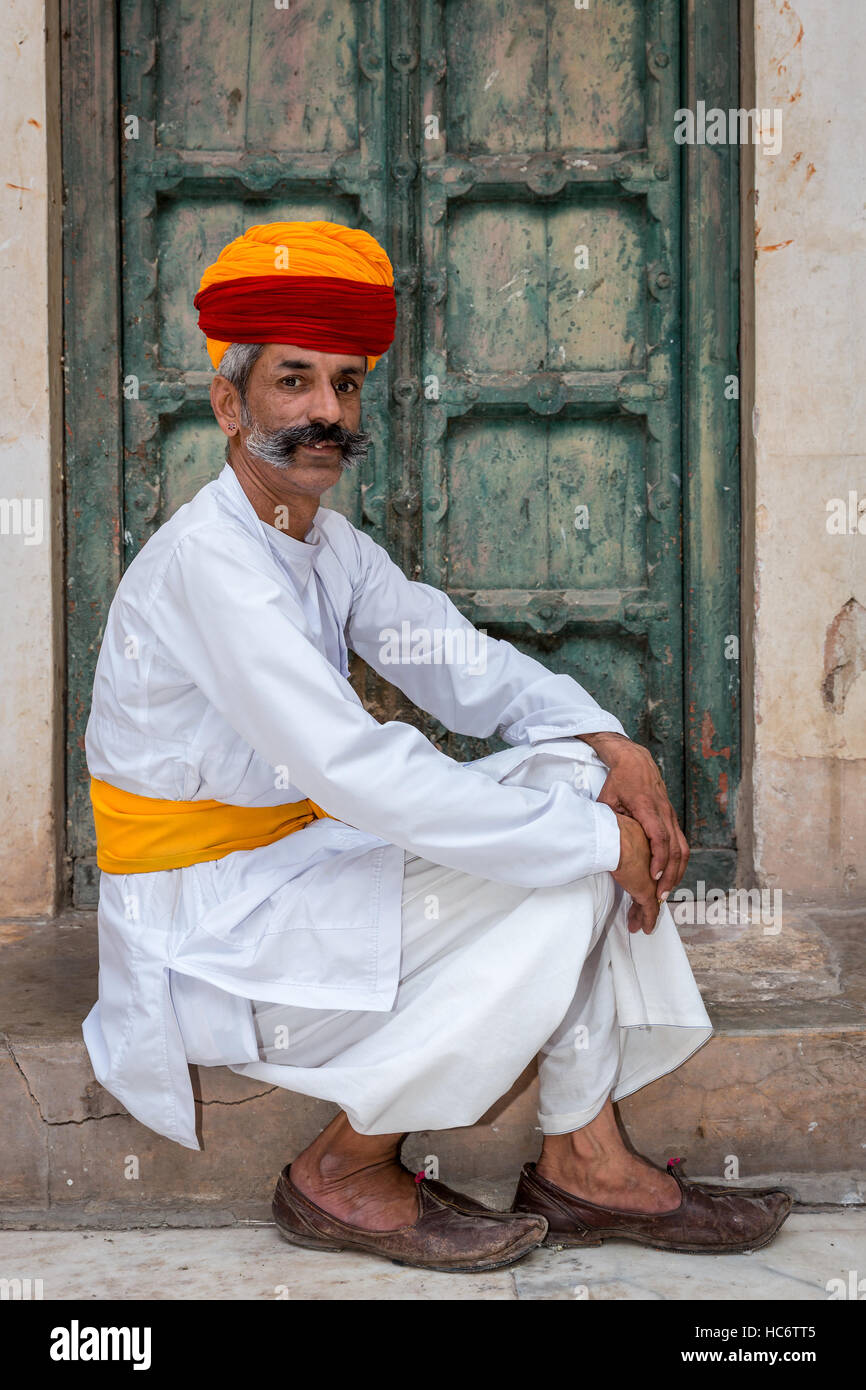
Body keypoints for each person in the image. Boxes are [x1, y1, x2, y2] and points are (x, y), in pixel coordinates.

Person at [82, 220, 792, 1272]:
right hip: (213, 924)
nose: (326, 410)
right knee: (564, 879)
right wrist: (597, 845)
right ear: (229, 405)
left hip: (296, 872)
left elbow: (462, 664)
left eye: (345, 385)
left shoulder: (319, 542)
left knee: (574, 781)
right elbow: (359, 772)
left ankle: (583, 1158)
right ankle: (346, 1167)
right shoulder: (209, 566)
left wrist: (605, 743)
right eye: (293, 382)